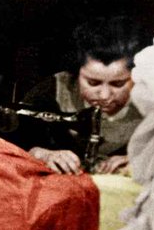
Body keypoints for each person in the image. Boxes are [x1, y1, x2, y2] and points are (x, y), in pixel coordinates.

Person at [17, 16, 146, 175]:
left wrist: (144, 161)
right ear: (76, 72)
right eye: (93, 83)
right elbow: (11, 142)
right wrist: (40, 154)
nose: (104, 96)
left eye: (118, 84)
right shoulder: (50, 91)